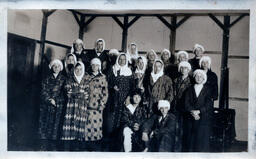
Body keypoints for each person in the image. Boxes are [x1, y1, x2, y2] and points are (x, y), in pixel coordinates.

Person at [105, 53, 135, 151]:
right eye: (120, 59)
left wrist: (128, 98)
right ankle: (109, 146)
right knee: (110, 123)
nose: (122, 61)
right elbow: (106, 83)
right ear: (118, 60)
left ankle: (119, 147)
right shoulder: (112, 70)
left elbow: (132, 87)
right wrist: (111, 87)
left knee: (121, 123)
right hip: (113, 100)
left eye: (124, 59)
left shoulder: (129, 72)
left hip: (124, 101)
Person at [61, 61, 91, 151]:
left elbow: (87, 94)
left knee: (80, 125)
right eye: (77, 69)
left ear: (83, 70)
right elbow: (68, 93)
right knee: (69, 125)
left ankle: (77, 149)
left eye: (80, 69)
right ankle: (67, 149)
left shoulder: (87, 79)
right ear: (74, 69)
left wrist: (76, 93)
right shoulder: (69, 79)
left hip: (82, 106)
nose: (78, 71)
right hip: (71, 106)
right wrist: (80, 93)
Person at [183, 69, 213, 152]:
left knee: (201, 142)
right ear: (194, 78)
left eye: (201, 76)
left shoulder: (208, 89)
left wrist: (199, 111)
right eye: (197, 76)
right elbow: (186, 103)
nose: (199, 78)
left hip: (203, 118)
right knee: (190, 142)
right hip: (191, 117)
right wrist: (193, 112)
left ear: (204, 78)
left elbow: (209, 104)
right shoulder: (189, 89)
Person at [39, 59, 66, 151]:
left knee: (56, 124)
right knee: (45, 123)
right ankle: (44, 142)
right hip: (46, 105)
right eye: (54, 66)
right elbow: (43, 91)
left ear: (61, 68)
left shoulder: (63, 79)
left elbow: (64, 93)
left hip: (58, 106)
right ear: (52, 67)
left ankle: (53, 144)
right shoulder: (46, 78)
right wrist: (49, 100)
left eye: (58, 66)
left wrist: (57, 100)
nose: (56, 68)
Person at [83, 58, 109, 151]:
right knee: (87, 124)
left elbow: (105, 92)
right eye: (93, 65)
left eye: (97, 65)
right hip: (87, 105)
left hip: (97, 106)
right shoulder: (86, 76)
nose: (95, 67)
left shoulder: (103, 77)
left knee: (96, 125)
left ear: (99, 66)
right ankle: (86, 146)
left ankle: (95, 147)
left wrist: (102, 103)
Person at [172, 61, 192, 152]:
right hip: (176, 107)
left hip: (186, 108)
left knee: (186, 129)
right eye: (182, 68)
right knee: (176, 128)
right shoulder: (176, 80)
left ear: (189, 70)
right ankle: (176, 149)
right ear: (180, 69)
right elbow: (173, 94)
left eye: (186, 68)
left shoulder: (192, 80)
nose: (184, 70)